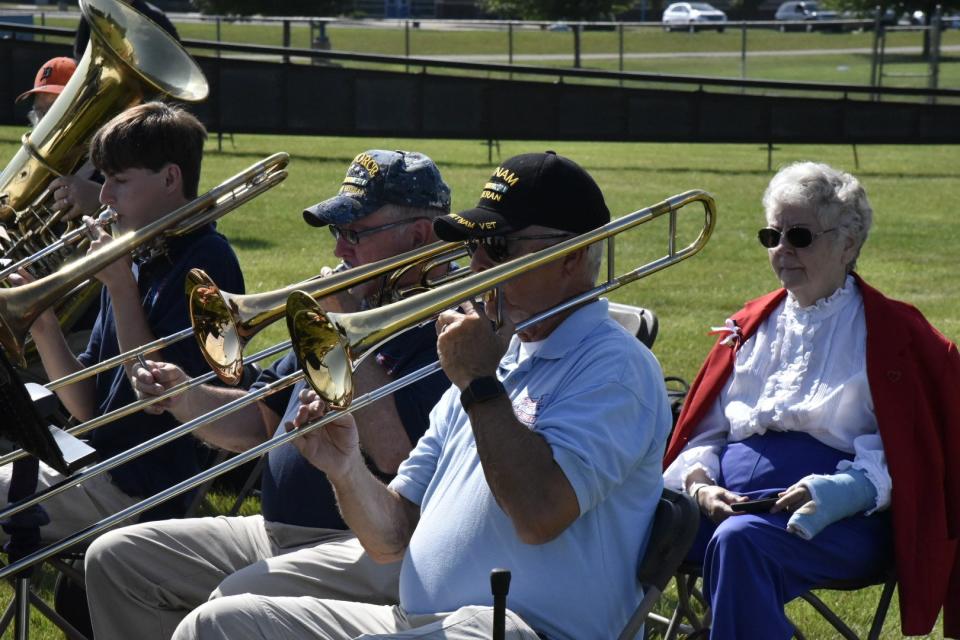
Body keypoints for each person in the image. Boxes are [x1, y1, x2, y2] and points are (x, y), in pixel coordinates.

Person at [169, 151, 674, 640]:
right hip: (419, 621)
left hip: (519, 631)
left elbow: (540, 513)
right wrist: (345, 468)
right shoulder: (499, 354)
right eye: (473, 245)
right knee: (215, 626)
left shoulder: (615, 368)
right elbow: (392, 536)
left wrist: (478, 382)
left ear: (570, 256)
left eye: (497, 247)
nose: (476, 265)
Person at [84, 150, 455, 639]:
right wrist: (183, 397)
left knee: (232, 601)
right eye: (336, 232)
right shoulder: (358, 303)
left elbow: (395, 453)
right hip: (274, 530)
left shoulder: (449, 328)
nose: (341, 250)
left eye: (355, 233)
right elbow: (256, 424)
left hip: (361, 542)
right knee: (115, 558)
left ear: (420, 236)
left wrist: (337, 333)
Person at [663, 161, 960, 639]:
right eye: (771, 235)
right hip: (732, 505)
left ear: (848, 243)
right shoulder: (752, 323)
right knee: (624, 519)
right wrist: (699, 484)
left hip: (845, 520)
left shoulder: (894, 335)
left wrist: (842, 490)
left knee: (741, 544)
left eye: (799, 236)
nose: (782, 250)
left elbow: (918, 450)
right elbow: (708, 429)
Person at [5, 101, 244, 542]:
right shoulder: (142, 254)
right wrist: (41, 322)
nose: (103, 197)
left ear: (171, 178)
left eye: (119, 181)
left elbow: (158, 395)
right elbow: (86, 406)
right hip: (93, 461)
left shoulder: (206, 262)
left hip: (140, 485)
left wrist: (119, 286)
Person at [14, 56, 101, 221]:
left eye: (55, 111)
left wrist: (100, 200)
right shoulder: (24, 172)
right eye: (40, 112)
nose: (45, 122)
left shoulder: (109, 175)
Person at [73, 0, 179, 63]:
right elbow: (80, 52)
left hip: (144, 91)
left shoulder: (156, 17)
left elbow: (176, 58)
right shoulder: (94, 9)